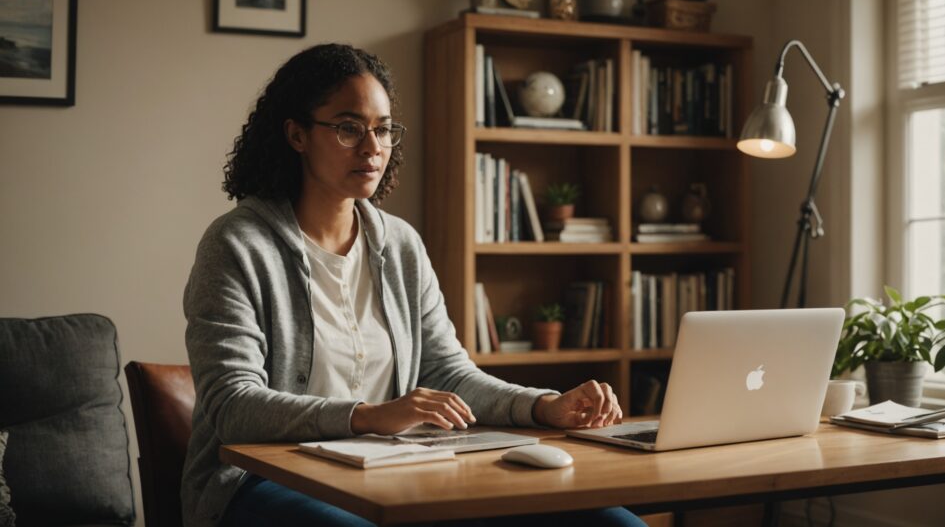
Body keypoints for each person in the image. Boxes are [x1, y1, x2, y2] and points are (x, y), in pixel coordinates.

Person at [181, 43, 641, 527]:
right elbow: (233, 406)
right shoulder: (236, 245)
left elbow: (448, 374)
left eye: (381, 130)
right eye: (348, 128)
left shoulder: (400, 244)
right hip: (264, 483)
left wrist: (545, 407)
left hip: (399, 467)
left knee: (610, 522)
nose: (372, 147)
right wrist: (369, 415)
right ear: (296, 134)